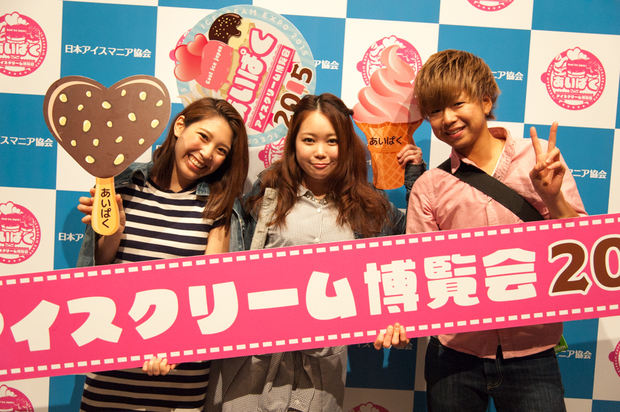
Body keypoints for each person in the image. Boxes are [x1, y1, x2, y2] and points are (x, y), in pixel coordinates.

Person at [374, 50, 587, 412]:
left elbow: (580, 249)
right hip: (454, 355)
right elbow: (416, 269)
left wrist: (553, 198)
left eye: (458, 104)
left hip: (533, 352)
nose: (447, 118)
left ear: (485, 101)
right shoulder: (429, 187)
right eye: (435, 111)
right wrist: (398, 320)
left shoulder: (538, 160)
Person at [205, 93, 426, 412]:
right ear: (294, 143)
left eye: (332, 141)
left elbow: (419, 246)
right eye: (309, 140)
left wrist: (415, 178)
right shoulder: (265, 197)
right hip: (255, 362)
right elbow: (224, 270)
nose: (320, 152)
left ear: (346, 145)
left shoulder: (370, 208)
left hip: (323, 369)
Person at [76, 97, 249, 412]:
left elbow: (213, 294)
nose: (207, 154)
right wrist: (114, 230)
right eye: (203, 136)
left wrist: (178, 348)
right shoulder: (121, 184)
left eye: (221, 150)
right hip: (109, 372)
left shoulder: (220, 207)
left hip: (179, 382)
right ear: (180, 125)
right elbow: (94, 278)